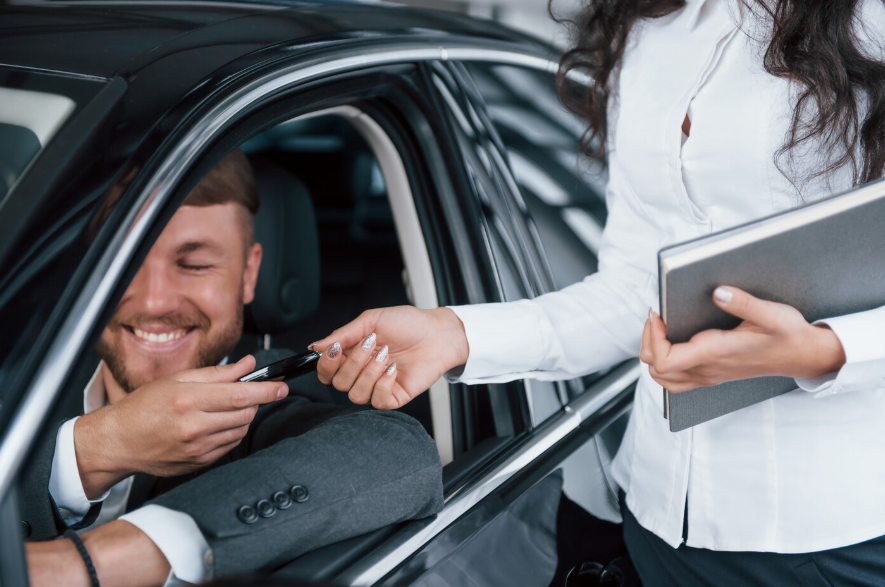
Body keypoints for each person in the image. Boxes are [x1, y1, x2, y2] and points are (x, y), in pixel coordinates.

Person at [307, 0, 885, 585]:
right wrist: (456, 334)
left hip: (830, 536)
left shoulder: (871, 22)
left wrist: (824, 351)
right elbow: (635, 289)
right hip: (654, 519)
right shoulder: (649, 25)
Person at [21, 150, 443, 587]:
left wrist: (87, 565)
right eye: (126, 261)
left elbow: (399, 454)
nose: (153, 301)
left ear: (248, 273)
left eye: (194, 265)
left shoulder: (269, 412)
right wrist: (96, 448)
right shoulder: (20, 386)